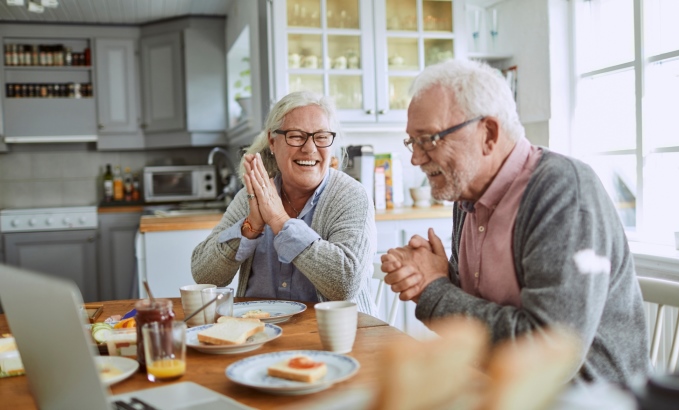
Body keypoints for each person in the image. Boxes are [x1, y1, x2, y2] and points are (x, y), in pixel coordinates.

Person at [380, 59, 650, 383]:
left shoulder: (562, 190)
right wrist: (438, 275)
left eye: (429, 140)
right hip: (497, 391)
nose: (416, 157)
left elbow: (546, 352)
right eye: (413, 141)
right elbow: (482, 308)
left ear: (488, 133)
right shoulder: (467, 195)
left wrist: (435, 289)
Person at [192, 91, 377, 316]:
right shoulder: (252, 195)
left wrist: (280, 221)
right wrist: (251, 226)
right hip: (259, 335)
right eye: (296, 136)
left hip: (335, 339)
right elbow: (204, 276)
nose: (310, 148)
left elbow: (345, 284)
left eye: (321, 136)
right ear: (272, 140)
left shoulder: (351, 195)